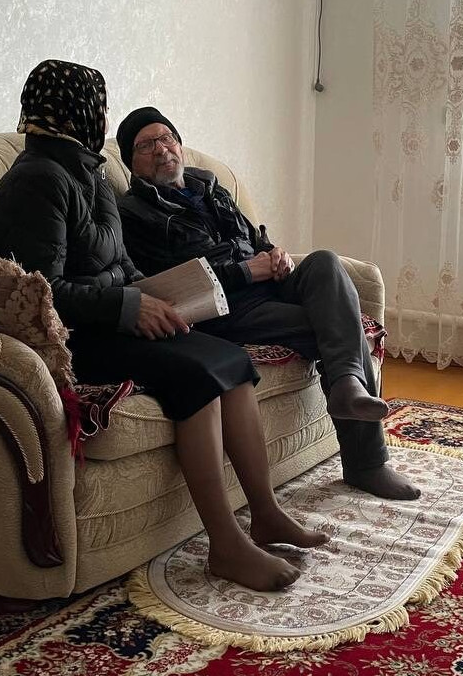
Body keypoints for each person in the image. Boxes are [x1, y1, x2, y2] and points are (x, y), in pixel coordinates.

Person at [0, 61, 327, 592]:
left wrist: (164, 296)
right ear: (75, 112)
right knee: (197, 376)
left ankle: (264, 513)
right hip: (78, 336)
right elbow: (40, 292)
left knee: (231, 360)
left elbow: (120, 264)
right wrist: (129, 307)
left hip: (116, 317)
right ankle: (226, 546)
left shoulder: (90, 173)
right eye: (98, 106)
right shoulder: (36, 181)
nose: (102, 118)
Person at [115, 107, 421, 501]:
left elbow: (253, 239)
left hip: (267, 286)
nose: (161, 149)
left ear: (179, 144)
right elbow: (174, 285)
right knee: (334, 324)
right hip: (226, 308)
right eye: (146, 146)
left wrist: (276, 255)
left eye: (166, 138)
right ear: (132, 164)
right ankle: (367, 463)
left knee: (324, 262)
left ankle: (346, 384)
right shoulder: (135, 214)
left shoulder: (210, 187)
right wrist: (247, 271)